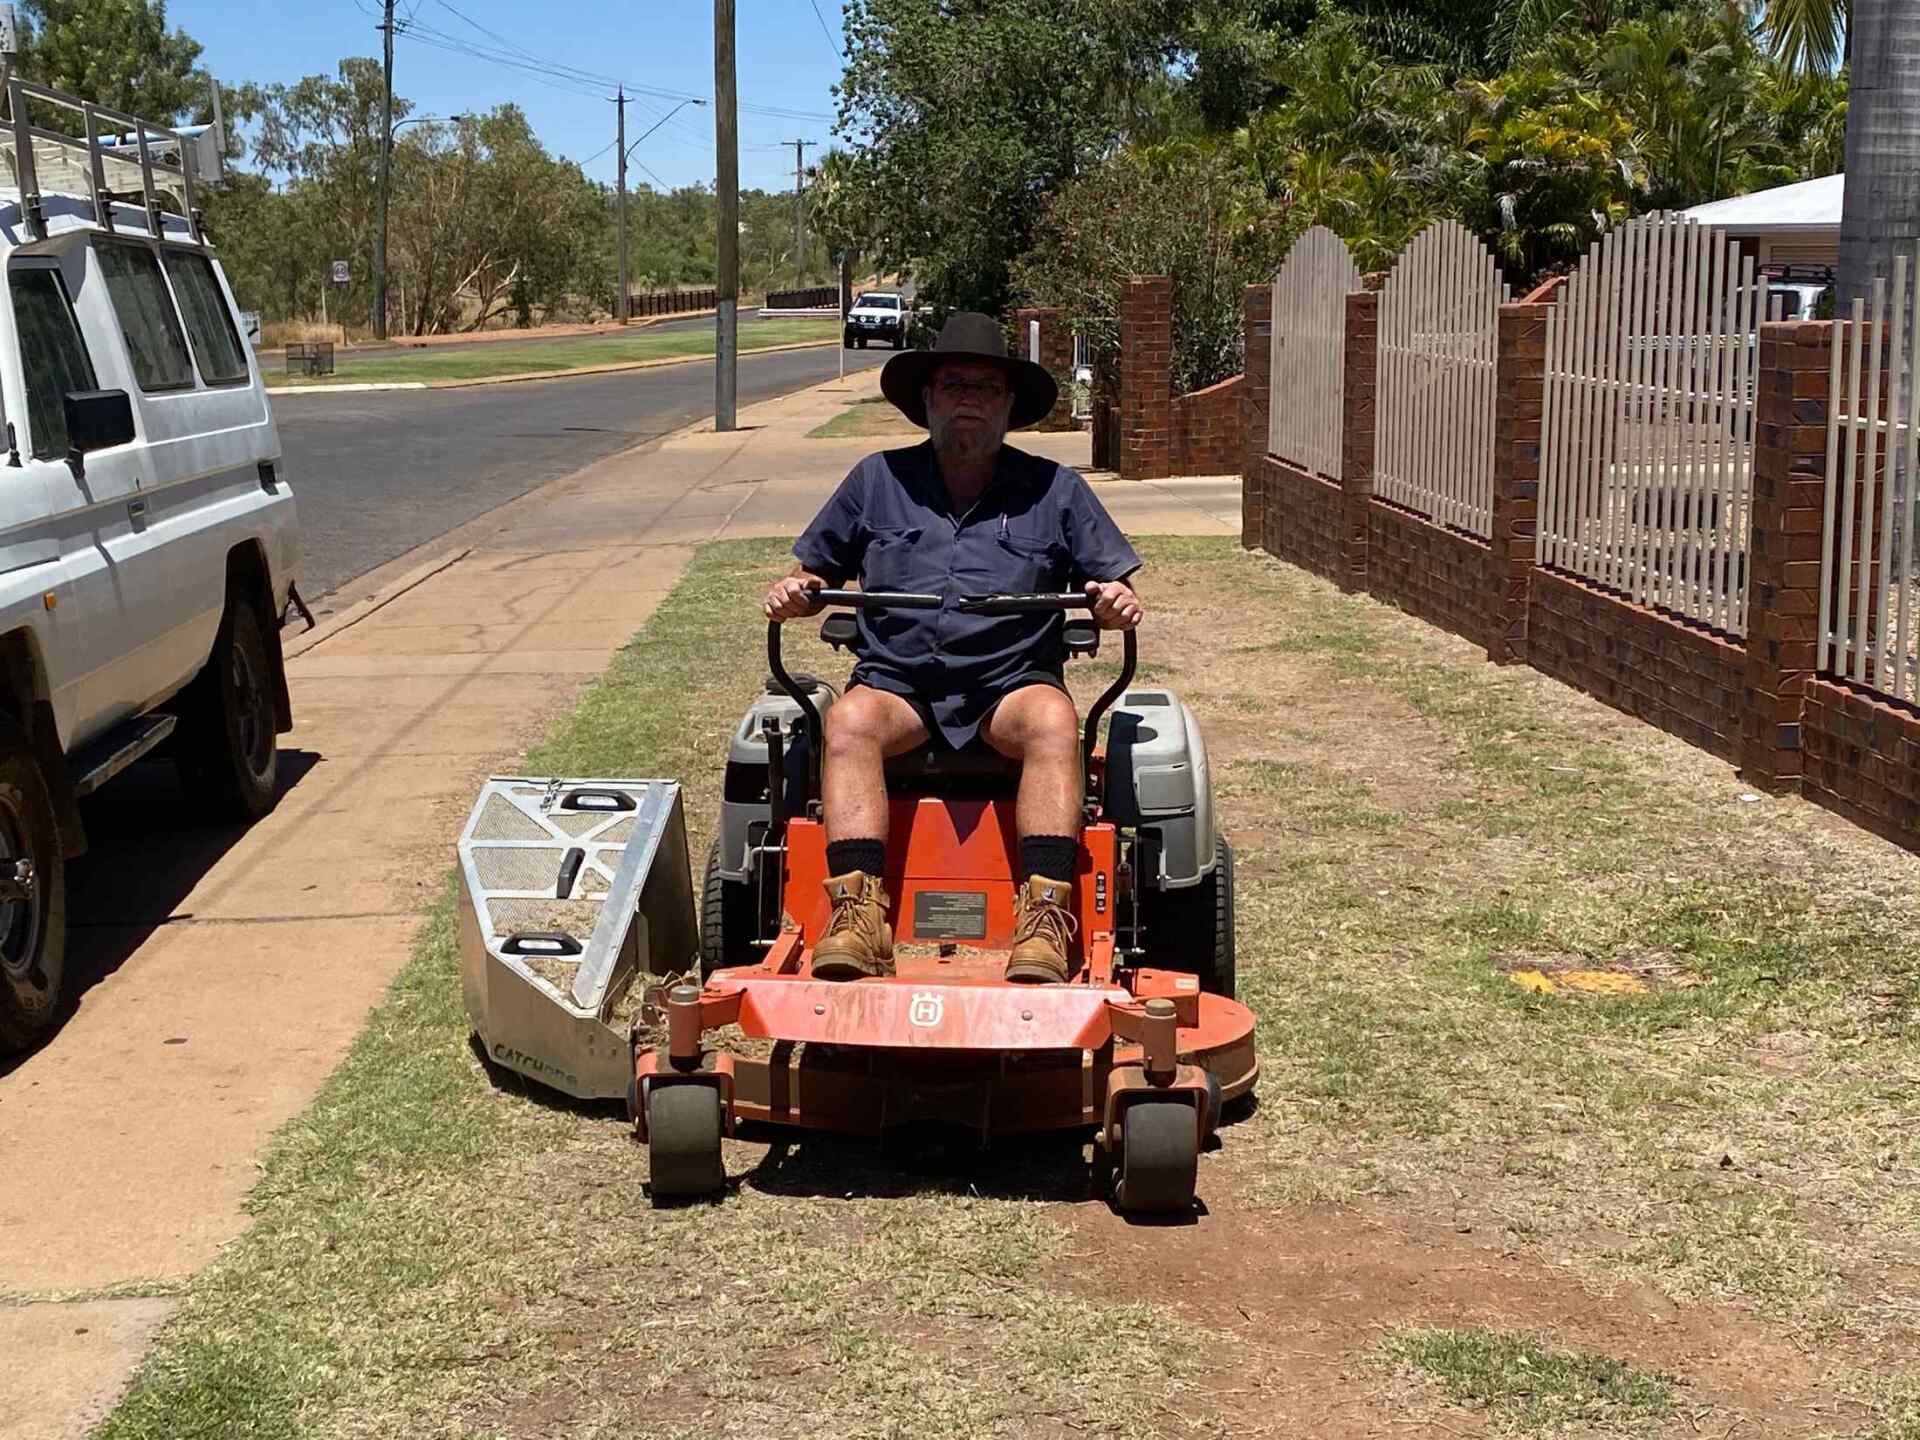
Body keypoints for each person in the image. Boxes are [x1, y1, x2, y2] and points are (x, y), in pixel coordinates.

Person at [763, 311, 1143, 985]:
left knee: (1055, 721)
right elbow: (816, 566)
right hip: (899, 684)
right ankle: (856, 917)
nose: (969, 397)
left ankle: (1046, 923)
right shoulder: (875, 479)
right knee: (847, 720)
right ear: (929, 400)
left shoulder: (1056, 489)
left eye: (987, 387)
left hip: (1009, 685)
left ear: (1008, 406)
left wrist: (1112, 602)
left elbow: (1107, 584)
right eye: (954, 383)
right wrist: (800, 587)